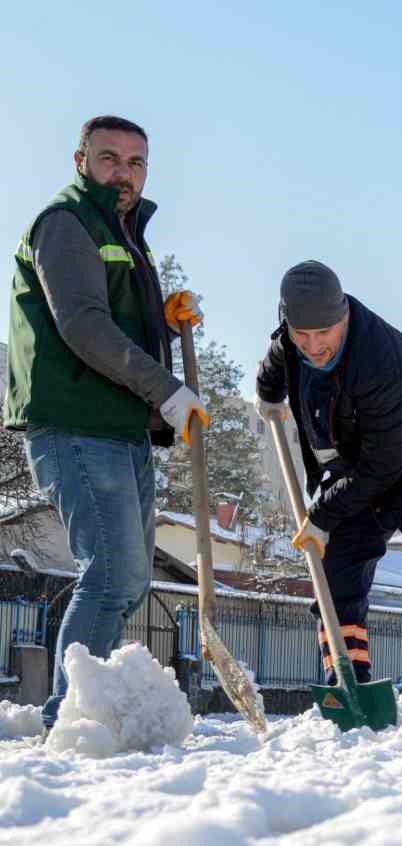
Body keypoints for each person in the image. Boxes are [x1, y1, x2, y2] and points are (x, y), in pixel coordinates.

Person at [6, 115, 207, 732]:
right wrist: (167, 390)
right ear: (80, 160)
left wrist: (165, 318)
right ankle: (70, 716)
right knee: (112, 571)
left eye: (135, 162)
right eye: (110, 158)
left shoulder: (120, 230)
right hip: (75, 420)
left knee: (132, 578)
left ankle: (90, 703)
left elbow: (115, 316)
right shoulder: (66, 224)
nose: (123, 172)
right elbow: (85, 326)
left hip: (119, 425)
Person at [255, 262, 402, 694]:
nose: (313, 347)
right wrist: (268, 398)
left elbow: (384, 465)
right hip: (357, 474)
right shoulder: (291, 343)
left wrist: (321, 516)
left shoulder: (381, 358)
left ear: (342, 315)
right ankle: (348, 685)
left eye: (323, 333)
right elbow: (273, 370)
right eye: (302, 335)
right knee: (337, 578)